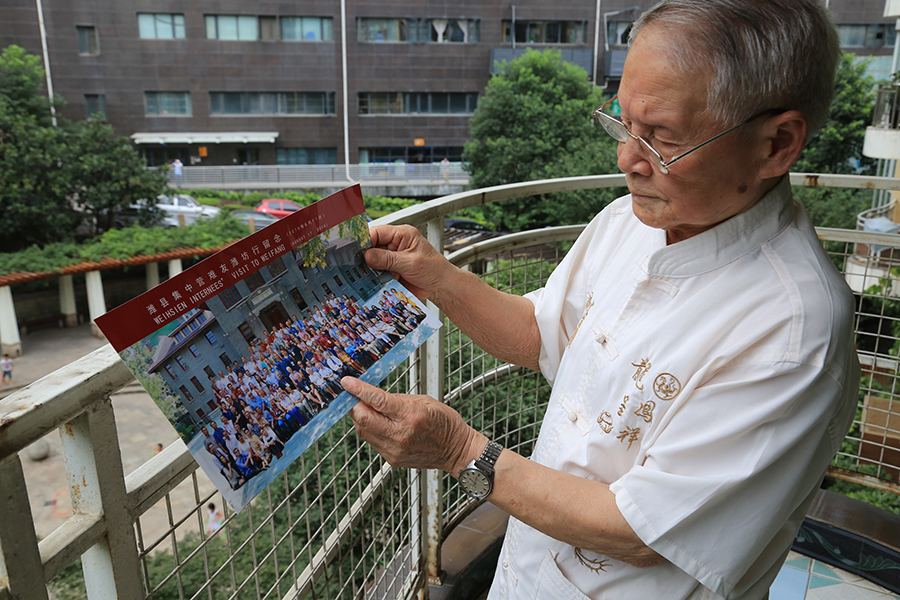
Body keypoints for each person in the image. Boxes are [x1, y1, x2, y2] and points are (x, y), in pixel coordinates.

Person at [340, 2, 861, 599]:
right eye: (621, 123)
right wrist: (437, 277)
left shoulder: (793, 330)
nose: (627, 160)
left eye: (661, 137)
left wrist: (462, 451)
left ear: (778, 144)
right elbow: (544, 332)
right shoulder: (630, 221)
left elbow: (641, 530)